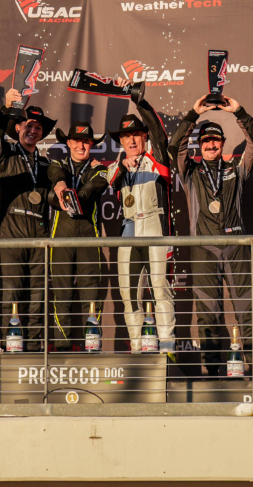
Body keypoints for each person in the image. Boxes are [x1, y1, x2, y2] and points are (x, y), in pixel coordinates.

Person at [169, 95, 253, 376]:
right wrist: (193, 114)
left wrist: (239, 111)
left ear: (223, 143)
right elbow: (175, 146)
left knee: (248, 310)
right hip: (204, 248)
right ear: (199, 145)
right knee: (209, 314)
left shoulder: (236, 169)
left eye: (216, 140)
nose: (211, 145)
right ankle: (212, 373)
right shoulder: (190, 172)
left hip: (236, 247)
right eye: (206, 141)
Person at [107, 82, 176, 354]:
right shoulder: (116, 165)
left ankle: (168, 348)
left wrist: (140, 103)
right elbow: (108, 182)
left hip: (156, 226)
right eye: (126, 137)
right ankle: (137, 349)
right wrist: (122, 167)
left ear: (143, 137)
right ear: (121, 141)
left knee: (160, 288)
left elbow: (159, 134)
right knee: (128, 294)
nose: (132, 140)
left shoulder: (157, 157)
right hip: (129, 229)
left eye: (136, 135)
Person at [0, 91, 56, 352]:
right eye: (28, 125)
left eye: (38, 127)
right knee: (11, 295)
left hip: (39, 239)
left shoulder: (46, 163)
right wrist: (7, 107)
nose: (33, 130)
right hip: (11, 238)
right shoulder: (5, 154)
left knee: (37, 297)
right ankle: (10, 348)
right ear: (17, 126)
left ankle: (33, 349)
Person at [48, 121, 110, 350]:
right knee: (61, 296)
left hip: (88, 241)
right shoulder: (57, 164)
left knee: (91, 297)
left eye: (86, 141)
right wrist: (60, 182)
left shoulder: (101, 169)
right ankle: (62, 348)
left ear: (91, 144)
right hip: (60, 240)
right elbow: (53, 172)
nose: (81, 146)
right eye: (77, 141)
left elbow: (90, 191)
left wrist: (66, 194)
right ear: (69, 143)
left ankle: (91, 348)